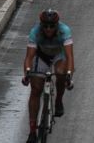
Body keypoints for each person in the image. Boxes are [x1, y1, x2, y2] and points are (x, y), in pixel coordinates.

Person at [22, 9, 74, 143]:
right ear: (41, 25)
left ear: (57, 25)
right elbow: (29, 57)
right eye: (45, 26)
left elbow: (69, 57)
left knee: (62, 73)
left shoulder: (64, 30)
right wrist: (27, 73)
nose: (48, 29)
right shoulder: (35, 32)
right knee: (35, 90)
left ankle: (58, 101)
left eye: (51, 26)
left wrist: (69, 76)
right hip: (42, 56)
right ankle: (32, 131)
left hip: (59, 55)